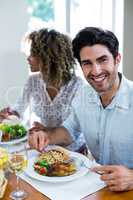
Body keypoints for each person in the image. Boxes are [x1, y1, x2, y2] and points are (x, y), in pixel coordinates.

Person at [28, 27, 133, 192]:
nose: (96, 71)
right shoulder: (84, 93)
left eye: (103, 60)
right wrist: (46, 135)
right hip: (96, 187)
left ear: (117, 59)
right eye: (87, 63)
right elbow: (68, 131)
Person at [0, 28, 88, 154]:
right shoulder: (33, 81)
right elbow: (19, 108)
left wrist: (46, 130)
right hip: (45, 147)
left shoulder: (77, 86)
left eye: (33, 54)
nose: (28, 58)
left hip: (74, 151)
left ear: (50, 58)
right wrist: (9, 114)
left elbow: (73, 130)